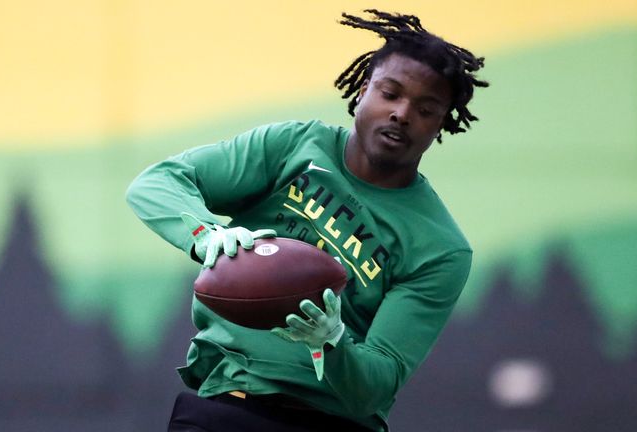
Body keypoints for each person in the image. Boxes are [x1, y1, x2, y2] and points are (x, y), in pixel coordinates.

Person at [126, 9, 488, 432]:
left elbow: (380, 380)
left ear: (441, 124)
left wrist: (333, 342)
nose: (403, 114)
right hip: (233, 400)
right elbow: (156, 183)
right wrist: (207, 236)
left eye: (426, 109)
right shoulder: (295, 145)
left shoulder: (441, 246)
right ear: (364, 89)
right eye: (391, 93)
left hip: (333, 421)